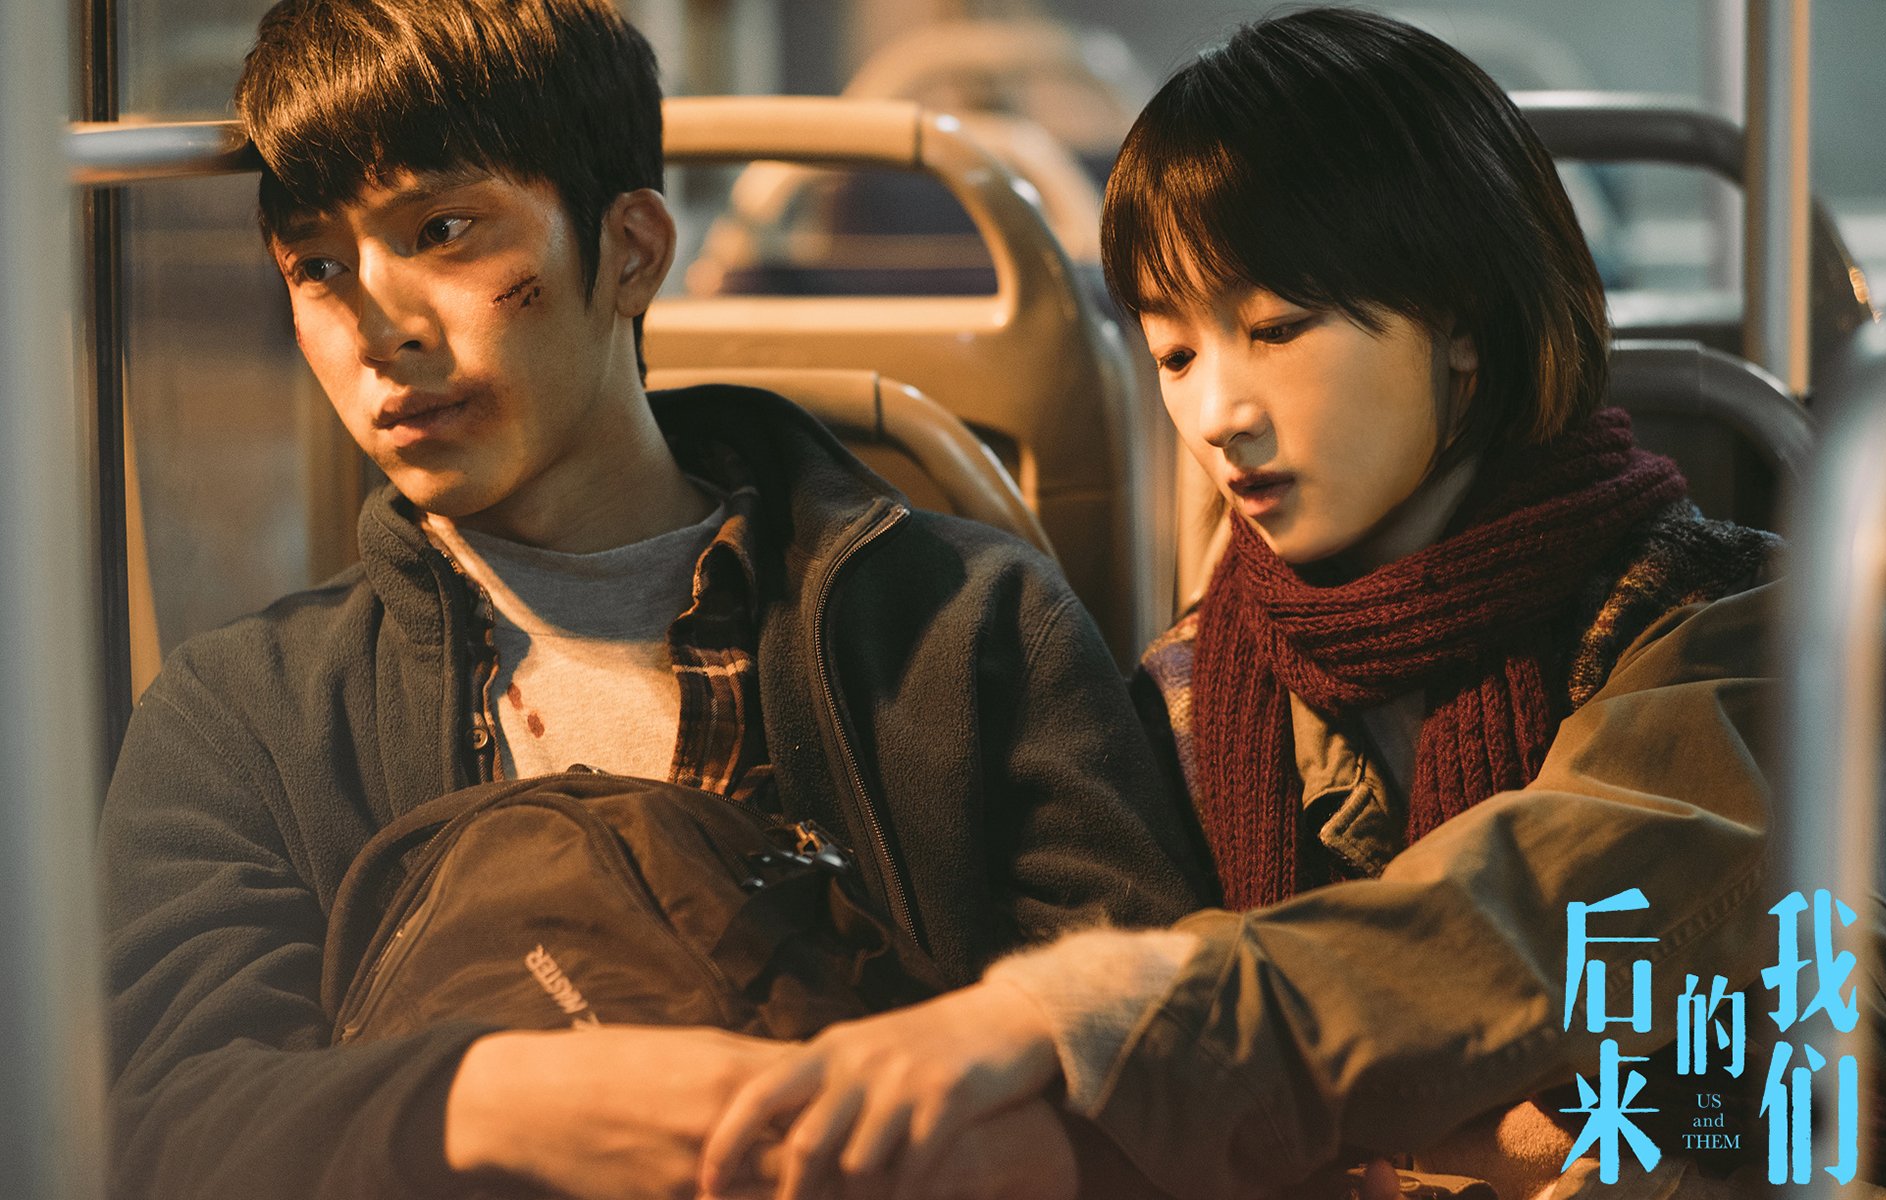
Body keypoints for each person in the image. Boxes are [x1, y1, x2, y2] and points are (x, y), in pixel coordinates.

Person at [700, 9, 1886, 1199]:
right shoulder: (1195, 691)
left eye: (1277, 328)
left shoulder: (1751, 629)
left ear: (1461, 323)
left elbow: (1544, 911)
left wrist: (1081, 1016)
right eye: (1176, 354)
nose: (1218, 413)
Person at [95, 1, 1208, 1196]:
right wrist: (494, 1102)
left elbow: (1169, 1064)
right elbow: (160, 1114)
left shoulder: (963, 630)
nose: (377, 327)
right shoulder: (246, 717)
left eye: (443, 231)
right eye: (318, 267)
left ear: (630, 250)